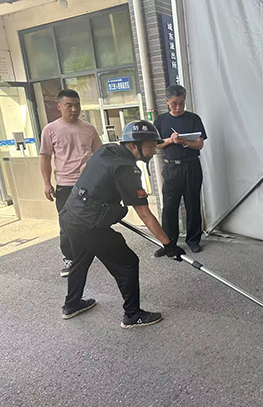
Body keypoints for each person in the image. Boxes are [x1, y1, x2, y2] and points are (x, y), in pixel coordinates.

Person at [59, 120, 186, 328]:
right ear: (134, 146)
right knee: (127, 262)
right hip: (88, 224)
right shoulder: (126, 170)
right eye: (151, 146)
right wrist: (168, 244)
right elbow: (145, 215)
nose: (154, 150)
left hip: (70, 215)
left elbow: (85, 169)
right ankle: (132, 315)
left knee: (81, 259)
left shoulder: (107, 149)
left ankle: (72, 305)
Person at [40, 89, 103, 277]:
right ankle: (69, 258)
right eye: (69, 105)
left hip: (89, 184)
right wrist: (46, 183)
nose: (74, 109)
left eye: (77, 105)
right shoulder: (50, 129)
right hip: (65, 185)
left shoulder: (89, 128)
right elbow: (45, 158)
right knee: (66, 223)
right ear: (59, 106)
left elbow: (100, 154)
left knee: (93, 221)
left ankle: (93, 253)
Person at [153, 85, 207, 256]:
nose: (178, 107)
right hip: (171, 167)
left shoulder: (193, 118)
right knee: (169, 206)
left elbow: (200, 144)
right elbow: (155, 145)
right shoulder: (161, 121)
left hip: (191, 165)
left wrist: (185, 142)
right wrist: (170, 140)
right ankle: (169, 243)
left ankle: (194, 241)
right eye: (174, 104)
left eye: (182, 103)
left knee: (193, 204)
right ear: (167, 102)